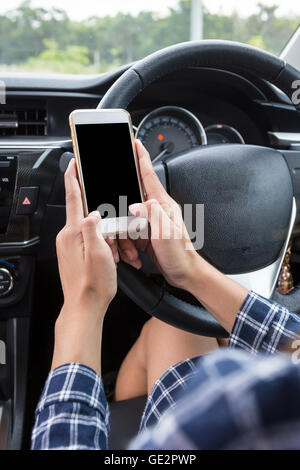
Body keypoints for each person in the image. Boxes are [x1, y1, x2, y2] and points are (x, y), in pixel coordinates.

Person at [31, 140, 300, 450]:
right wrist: (190, 270)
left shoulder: (235, 409)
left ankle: (111, 402)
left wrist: (84, 302)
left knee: (173, 326)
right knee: (171, 324)